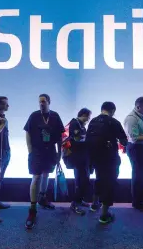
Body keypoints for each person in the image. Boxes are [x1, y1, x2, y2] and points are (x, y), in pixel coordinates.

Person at [24, 94, 65, 229]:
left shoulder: (55, 116)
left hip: (50, 151)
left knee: (47, 173)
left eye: (43, 102)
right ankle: (32, 209)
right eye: (39, 102)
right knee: (36, 176)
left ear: (49, 102)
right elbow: (28, 132)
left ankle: (42, 198)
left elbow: (60, 136)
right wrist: (30, 149)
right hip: (37, 151)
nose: (41, 104)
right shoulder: (34, 116)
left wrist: (60, 153)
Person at [86, 102, 128, 224]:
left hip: (95, 158)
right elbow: (124, 141)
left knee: (98, 179)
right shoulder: (113, 122)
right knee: (109, 184)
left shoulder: (93, 121)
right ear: (113, 110)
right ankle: (104, 215)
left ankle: (94, 204)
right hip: (110, 158)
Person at [66, 108, 92, 215]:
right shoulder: (74, 124)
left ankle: (79, 200)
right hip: (77, 157)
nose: (88, 120)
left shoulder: (81, 126)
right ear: (83, 115)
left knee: (82, 180)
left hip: (82, 157)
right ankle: (75, 204)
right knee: (82, 180)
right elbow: (77, 139)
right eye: (87, 117)